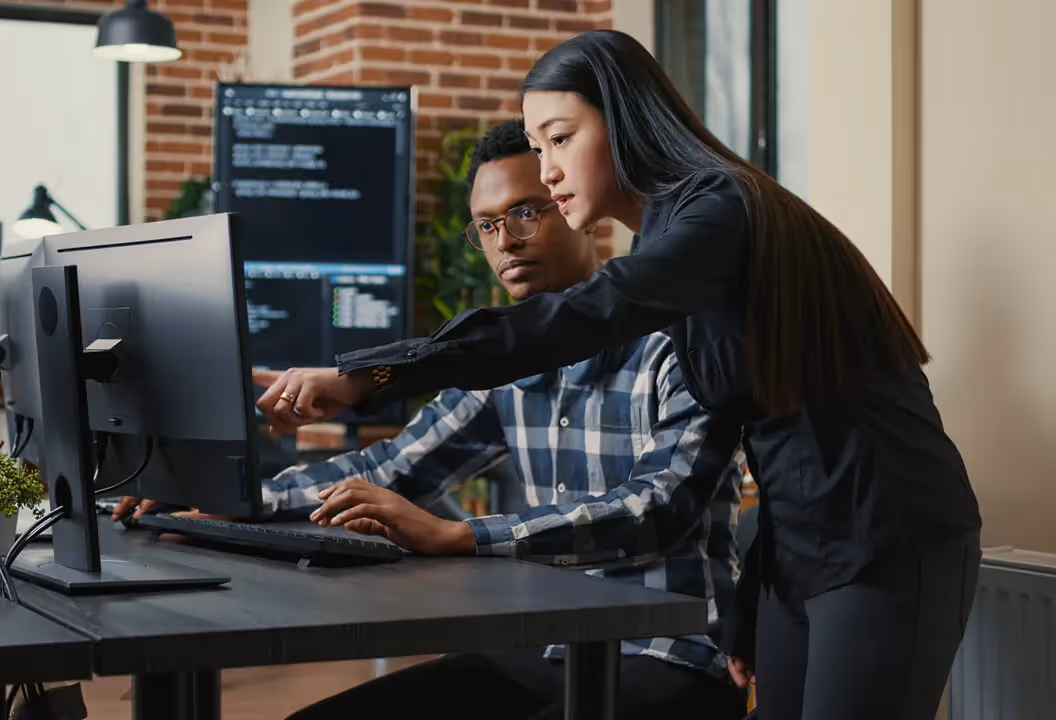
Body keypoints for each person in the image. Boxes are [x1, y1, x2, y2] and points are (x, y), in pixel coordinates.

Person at [254, 30, 982, 720]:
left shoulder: (719, 211)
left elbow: (584, 317)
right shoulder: (680, 237)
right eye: (539, 147)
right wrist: (755, 591)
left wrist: (368, 375)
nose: (548, 169)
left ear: (628, 121)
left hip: (889, 534)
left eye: (561, 139)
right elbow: (785, 436)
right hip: (798, 549)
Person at [117, 119, 748, 720]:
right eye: (487, 225)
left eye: (527, 212)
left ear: (576, 207)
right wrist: (226, 499)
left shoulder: (678, 339)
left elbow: (658, 507)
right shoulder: (504, 362)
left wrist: (462, 534)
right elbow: (389, 468)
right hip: (545, 647)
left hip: (672, 653)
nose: (506, 240)